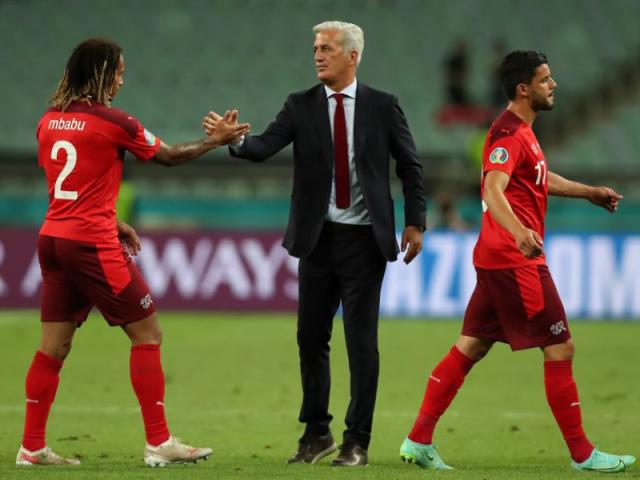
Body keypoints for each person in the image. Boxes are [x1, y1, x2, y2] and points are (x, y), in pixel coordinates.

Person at [399, 51, 636, 473]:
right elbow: (493, 189)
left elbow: (540, 177)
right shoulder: (509, 133)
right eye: (545, 80)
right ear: (524, 89)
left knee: (472, 345)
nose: (554, 85)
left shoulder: (521, 132)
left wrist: (589, 192)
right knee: (560, 347)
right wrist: (520, 232)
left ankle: (418, 440)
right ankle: (583, 454)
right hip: (515, 261)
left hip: (497, 258)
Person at [17, 38, 249, 467]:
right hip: (90, 243)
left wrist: (111, 218)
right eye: (119, 73)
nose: (122, 81)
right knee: (147, 333)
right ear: (101, 73)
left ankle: (31, 447)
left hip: (53, 239)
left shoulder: (48, 121)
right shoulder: (114, 122)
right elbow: (169, 156)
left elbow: (70, 185)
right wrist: (213, 141)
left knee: (53, 347)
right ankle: (159, 441)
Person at [203, 21, 426, 467]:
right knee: (310, 337)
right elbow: (263, 146)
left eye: (327, 48)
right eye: (315, 48)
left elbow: (410, 165)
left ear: (353, 56)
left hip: (365, 241)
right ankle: (316, 433)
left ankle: (356, 441)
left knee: (361, 343)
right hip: (318, 239)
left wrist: (416, 222)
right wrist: (236, 140)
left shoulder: (383, 106)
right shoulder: (300, 105)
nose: (318, 55)